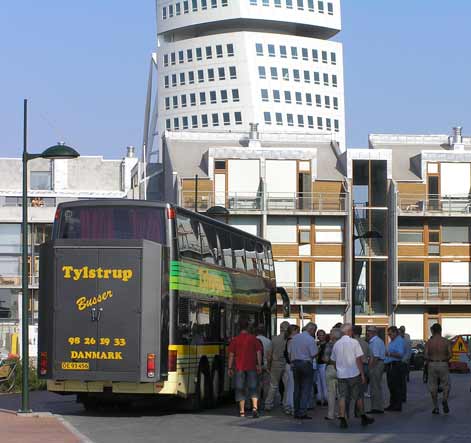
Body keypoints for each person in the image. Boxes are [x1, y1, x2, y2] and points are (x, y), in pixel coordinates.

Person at [331, 324, 374, 428]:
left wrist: (338, 369)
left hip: (342, 375)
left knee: (342, 396)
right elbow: (358, 359)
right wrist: (362, 374)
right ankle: (363, 416)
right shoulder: (354, 342)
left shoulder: (337, 344)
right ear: (349, 331)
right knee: (358, 396)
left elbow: (333, 360)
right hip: (354, 373)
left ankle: (342, 418)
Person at [228, 319, 263, 418]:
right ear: (248, 327)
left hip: (239, 368)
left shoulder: (235, 340)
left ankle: (242, 412)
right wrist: (259, 365)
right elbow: (258, 352)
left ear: (239, 328)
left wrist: (230, 368)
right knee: (253, 388)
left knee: (240, 389)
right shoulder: (253, 339)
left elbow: (231, 355)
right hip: (252, 367)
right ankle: (255, 408)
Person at [288, 322, 318, 419]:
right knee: (305, 389)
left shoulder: (295, 338)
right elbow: (313, 353)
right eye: (314, 331)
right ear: (312, 330)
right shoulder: (310, 339)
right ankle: (302, 412)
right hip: (305, 363)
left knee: (297, 388)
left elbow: (290, 352)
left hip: (295, 363)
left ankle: (296, 411)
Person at [424, 323, 452, 414]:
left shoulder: (429, 342)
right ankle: (444, 399)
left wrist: (431, 359)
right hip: (443, 363)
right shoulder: (446, 341)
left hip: (432, 364)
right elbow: (450, 355)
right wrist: (444, 359)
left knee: (433, 386)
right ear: (440, 330)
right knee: (446, 384)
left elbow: (425, 355)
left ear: (432, 331)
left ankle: (436, 408)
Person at [265, 321, 289, 411]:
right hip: (286, 363)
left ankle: (268, 403)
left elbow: (269, 354)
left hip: (275, 363)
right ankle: (286, 404)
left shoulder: (274, 339)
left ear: (280, 328)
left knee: (273, 385)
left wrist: (268, 365)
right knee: (287, 385)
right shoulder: (289, 339)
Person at [384, 326, 405, 412]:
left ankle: (397, 405)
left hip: (395, 365)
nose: (389, 335)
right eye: (388, 334)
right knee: (391, 386)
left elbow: (400, 354)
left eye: (390, 334)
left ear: (395, 333)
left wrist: (388, 353)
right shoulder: (393, 341)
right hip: (390, 365)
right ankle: (392, 404)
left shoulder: (399, 341)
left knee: (396, 386)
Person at [367, 326, 386, 414]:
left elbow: (375, 357)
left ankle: (376, 407)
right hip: (379, 364)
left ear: (374, 332)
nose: (367, 333)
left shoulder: (375, 342)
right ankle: (378, 406)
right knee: (376, 386)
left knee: (375, 387)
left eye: (369, 331)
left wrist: (370, 368)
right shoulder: (377, 341)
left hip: (376, 365)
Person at [324, 327, 341, 420]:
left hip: (330, 368)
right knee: (341, 393)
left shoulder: (329, 345)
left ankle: (330, 414)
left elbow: (325, 359)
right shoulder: (343, 345)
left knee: (331, 393)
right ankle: (341, 413)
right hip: (341, 369)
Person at [282, 324, 299, 415]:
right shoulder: (292, 340)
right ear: (294, 331)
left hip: (288, 365)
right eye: (297, 331)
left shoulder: (289, 340)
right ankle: (291, 406)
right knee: (292, 386)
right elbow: (289, 354)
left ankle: (288, 405)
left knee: (289, 386)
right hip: (291, 365)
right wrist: (292, 363)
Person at [353, 325, 370, 413]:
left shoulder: (352, 342)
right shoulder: (365, 343)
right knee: (361, 391)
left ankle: (356, 410)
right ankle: (360, 411)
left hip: (355, 367)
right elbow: (370, 355)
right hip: (365, 366)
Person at [256, 325, 273, 409]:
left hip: (256, 366)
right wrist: (269, 366)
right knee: (266, 385)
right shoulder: (268, 341)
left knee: (257, 385)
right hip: (266, 365)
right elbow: (269, 355)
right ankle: (266, 402)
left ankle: (257, 403)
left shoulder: (254, 340)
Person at [316, 329, 328, 407]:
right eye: (319, 335)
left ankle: (326, 399)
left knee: (324, 382)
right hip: (316, 364)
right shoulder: (316, 344)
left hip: (324, 364)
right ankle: (319, 398)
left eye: (322, 335)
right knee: (318, 383)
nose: (321, 336)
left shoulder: (327, 345)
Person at [399, 326, 412, 400]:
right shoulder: (403, 337)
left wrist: (404, 360)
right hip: (403, 360)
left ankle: (403, 396)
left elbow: (408, 350)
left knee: (402, 381)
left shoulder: (406, 338)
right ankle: (401, 396)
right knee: (401, 380)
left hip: (403, 361)